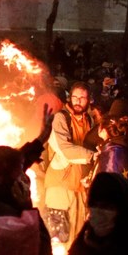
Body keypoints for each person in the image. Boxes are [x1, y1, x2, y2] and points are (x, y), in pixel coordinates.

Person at [46, 82, 97, 244]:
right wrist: (92, 156)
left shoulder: (89, 119)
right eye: (75, 97)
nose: (78, 101)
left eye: (82, 98)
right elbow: (65, 149)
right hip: (60, 182)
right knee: (58, 237)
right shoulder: (61, 117)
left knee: (78, 233)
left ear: (89, 100)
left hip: (80, 185)